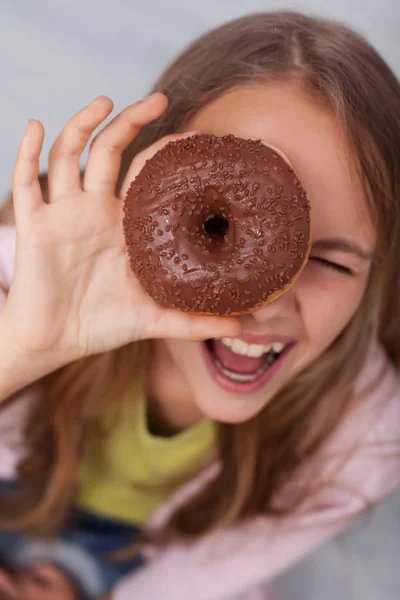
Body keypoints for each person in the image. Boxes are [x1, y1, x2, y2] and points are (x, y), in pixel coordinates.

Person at [0, 10, 399, 600]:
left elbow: (190, 583)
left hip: (154, 563)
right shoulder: (22, 275)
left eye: (329, 262)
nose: (265, 300)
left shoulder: (362, 441)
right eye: (220, 228)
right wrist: (23, 350)